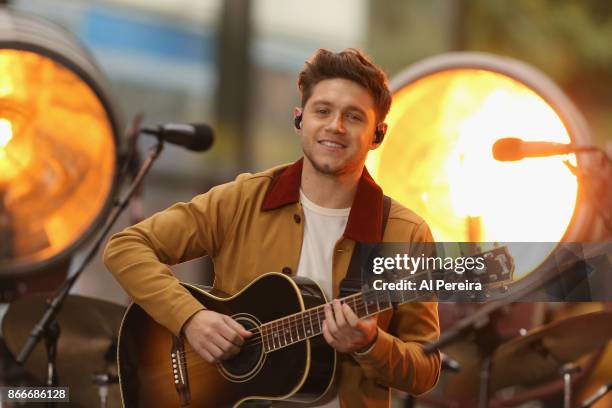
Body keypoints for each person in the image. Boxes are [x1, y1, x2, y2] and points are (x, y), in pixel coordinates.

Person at [103, 48, 440, 407]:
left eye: (354, 116)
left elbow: (426, 371)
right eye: (322, 111)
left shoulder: (406, 234)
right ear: (300, 119)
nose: (335, 126)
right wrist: (191, 318)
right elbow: (125, 248)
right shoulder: (243, 199)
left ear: (378, 134)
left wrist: (371, 344)